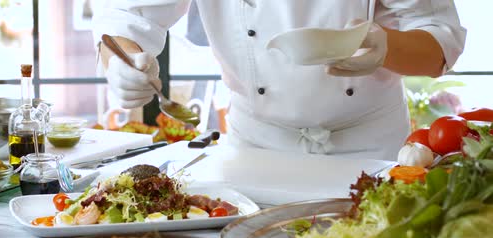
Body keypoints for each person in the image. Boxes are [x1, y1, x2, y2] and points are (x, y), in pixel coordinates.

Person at [92, 0, 466, 160]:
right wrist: (122, 64)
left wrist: (387, 48)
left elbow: (439, 39)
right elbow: (124, 16)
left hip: (371, 150)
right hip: (256, 151)